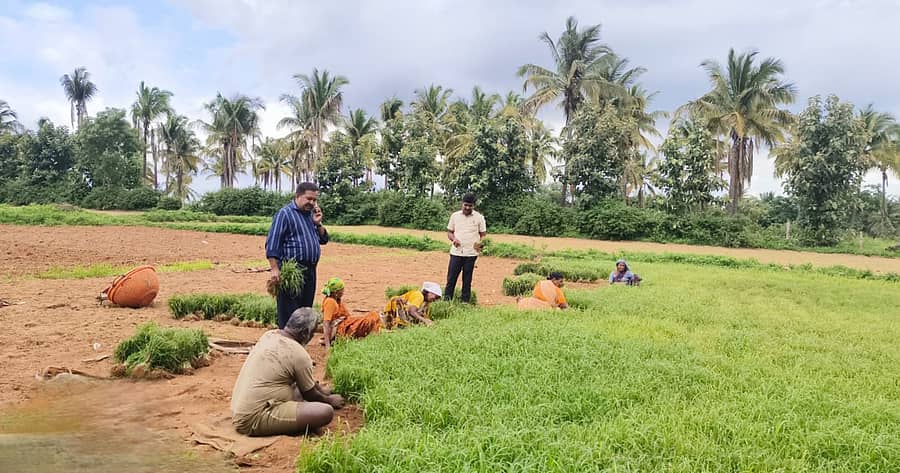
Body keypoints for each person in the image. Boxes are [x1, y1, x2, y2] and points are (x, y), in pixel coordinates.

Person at [231, 308, 345, 437]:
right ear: (305, 333)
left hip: (239, 408)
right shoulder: (299, 354)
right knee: (325, 412)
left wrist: (322, 391)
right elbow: (310, 395)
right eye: (313, 332)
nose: (313, 337)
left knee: (297, 385)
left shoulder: (270, 335)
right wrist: (329, 400)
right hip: (253, 418)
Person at [266, 182, 329, 329]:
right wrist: (274, 269)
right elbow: (272, 243)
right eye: (308, 199)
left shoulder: (310, 215)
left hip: (311, 270)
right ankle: (287, 347)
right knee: (290, 314)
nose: (312, 203)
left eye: (314, 200)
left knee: (305, 313)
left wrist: (318, 224)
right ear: (297, 196)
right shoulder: (285, 214)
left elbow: (323, 239)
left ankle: (299, 348)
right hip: (292, 271)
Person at [322, 280, 442, 349]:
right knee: (372, 319)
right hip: (395, 315)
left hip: (345, 322)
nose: (435, 299)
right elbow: (411, 311)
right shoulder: (419, 296)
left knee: (371, 319)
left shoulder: (426, 303)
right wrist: (425, 321)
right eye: (435, 296)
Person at [445, 192, 486, 304]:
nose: (467, 207)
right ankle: (447, 301)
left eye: (470, 206)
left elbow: (483, 234)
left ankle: (465, 302)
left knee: (467, 280)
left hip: (471, 254)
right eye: (465, 205)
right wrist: (454, 239)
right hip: (456, 252)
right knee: (451, 279)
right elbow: (449, 232)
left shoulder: (479, 217)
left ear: (474, 206)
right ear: (462, 204)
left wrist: (480, 245)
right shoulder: (455, 216)